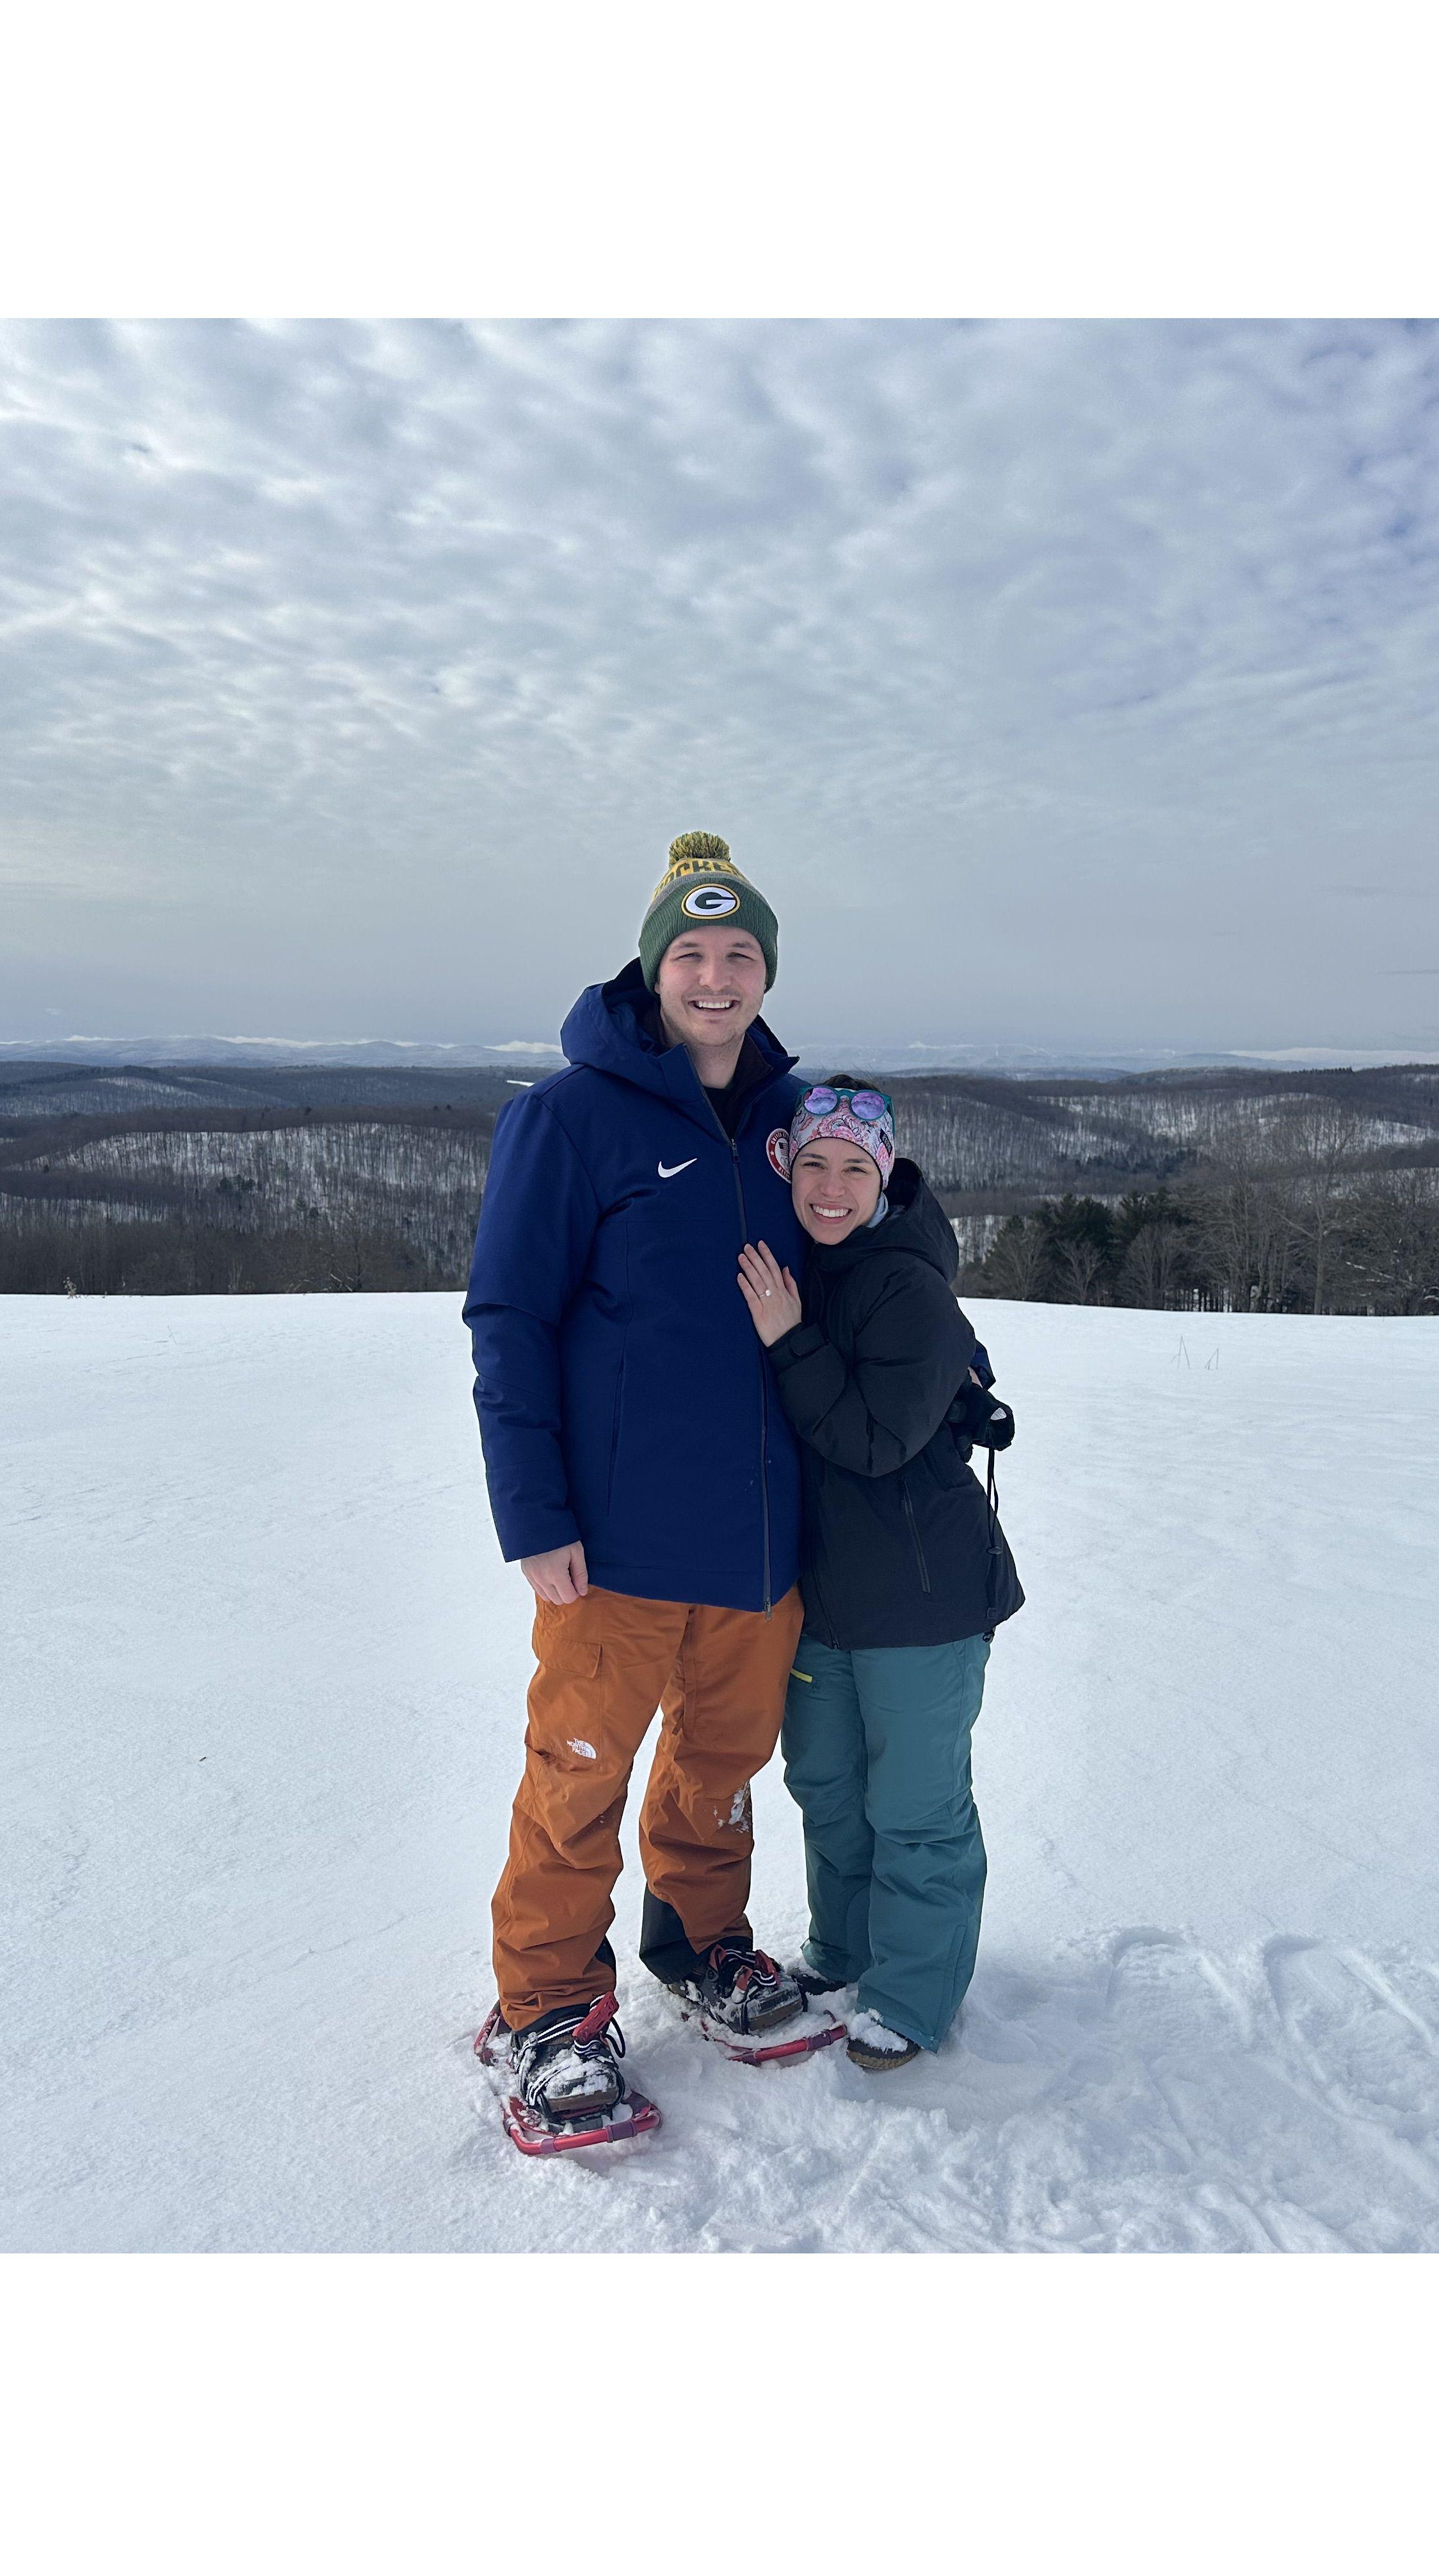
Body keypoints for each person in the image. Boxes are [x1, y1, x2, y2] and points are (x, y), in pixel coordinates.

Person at [464, 831, 812, 2129]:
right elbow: (509, 1318)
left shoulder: (793, 1121)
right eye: (692, 953)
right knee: (582, 1774)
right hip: (610, 1539)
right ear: (654, 968)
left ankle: (700, 1940)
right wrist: (535, 1516)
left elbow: (873, 1229)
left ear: (765, 972)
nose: (715, 977)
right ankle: (544, 2005)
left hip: (759, 1534)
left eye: (739, 955)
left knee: (722, 1765)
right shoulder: (567, 1118)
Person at [736, 1082, 1024, 2072]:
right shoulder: (810, 1267)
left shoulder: (909, 1287)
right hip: (831, 1594)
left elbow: (873, 1439)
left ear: (885, 1176)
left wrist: (788, 1340)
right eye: (813, 1163)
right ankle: (846, 1949)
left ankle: (913, 1992)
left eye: (855, 1167)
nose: (830, 1185)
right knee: (826, 1782)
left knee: (916, 1807)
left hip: (923, 1596)